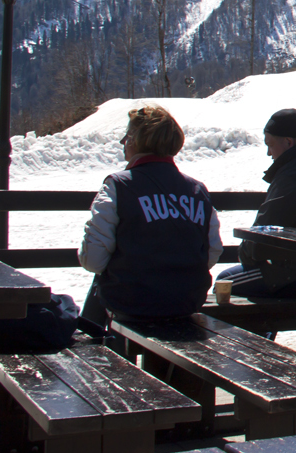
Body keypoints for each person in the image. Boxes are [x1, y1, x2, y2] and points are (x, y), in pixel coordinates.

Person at [79, 105, 223, 329]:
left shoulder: (119, 185)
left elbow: (93, 259)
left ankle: (99, 355)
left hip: (131, 304)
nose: (123, 143)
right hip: (186, 303)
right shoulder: (197, 190)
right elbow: (212, 250)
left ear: (135, 141)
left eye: (126, 137)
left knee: (102, 286)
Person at [217, 108, 296, 300]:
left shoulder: (294, 174)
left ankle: (264, 330)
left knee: (225, 281)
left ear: (288, 142)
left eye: (270, 145)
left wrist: (245, 253)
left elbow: (263, 232)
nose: (269, 153)